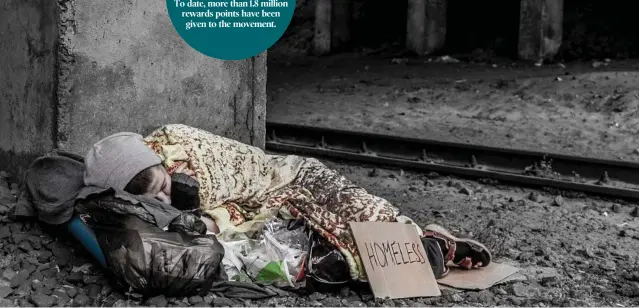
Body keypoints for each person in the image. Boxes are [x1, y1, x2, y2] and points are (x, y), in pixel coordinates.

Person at [83, 125, 492, 281]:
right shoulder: (142, 188)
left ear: (156, 159)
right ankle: (422, 256)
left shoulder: (182, 144)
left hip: (292, 175)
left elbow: (241, 186)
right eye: (149, 198)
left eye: (159, 184)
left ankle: (425, 240)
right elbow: (237, 212)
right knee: (326, 251)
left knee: (359, 210)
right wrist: (205, 222)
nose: (161, 198)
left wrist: (208, 218)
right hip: (268, 210)